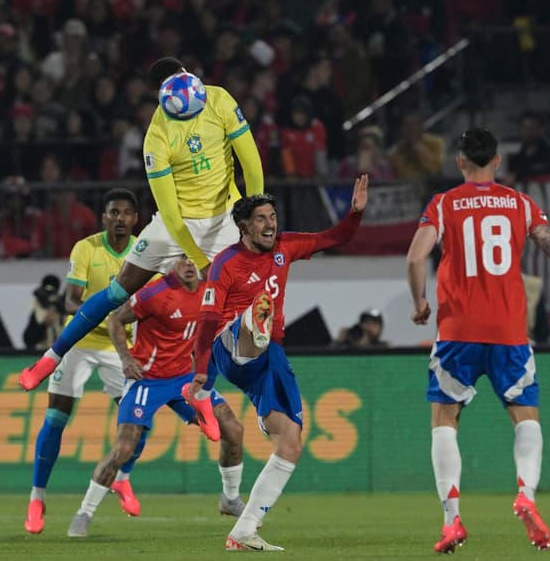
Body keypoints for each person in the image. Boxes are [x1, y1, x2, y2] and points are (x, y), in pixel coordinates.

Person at [19, 56, 265, 390]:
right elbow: (172, 212)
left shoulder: (218, 98)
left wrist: (255, 212)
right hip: (177, 223)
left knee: (227, 311)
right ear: (160, 95)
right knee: (119, 289)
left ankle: (204, 393)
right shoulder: (156, 137)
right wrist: (199, 259)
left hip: (225, 220)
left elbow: (250, 163)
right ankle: (51, 356)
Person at [405, 128, 550, 553]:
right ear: (497, 161)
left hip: (457, 332)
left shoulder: (445, 204)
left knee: (444, 422)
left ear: (460, 161)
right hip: (509, 333)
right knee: (527, 418)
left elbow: (415, 256)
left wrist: (420, 303)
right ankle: (526, 495)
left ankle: (452, 522)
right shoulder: (520, 204)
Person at [185, 178, 368, 551]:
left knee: (291, 440)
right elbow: (206, 319)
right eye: (261, 219)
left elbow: (336, 238)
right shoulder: (226, 264)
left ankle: (245, 530)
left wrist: (355, 213)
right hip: (228, 344)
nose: (270, 224)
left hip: (268, 356)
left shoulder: (285, 247)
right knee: (257, 315)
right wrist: (201, 370)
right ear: (244, 227)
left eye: (273, 217)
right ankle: (254, 325)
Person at [67, 255, 246, 537]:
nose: (188, 264)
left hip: (185, 379)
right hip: (146, 381)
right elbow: (116, 320)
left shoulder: (208, 292)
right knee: (124, 448)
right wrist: (125, 358)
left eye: (193, 259)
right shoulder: (155, 293)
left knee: (233, 429)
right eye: (181, 258)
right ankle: (84, 513)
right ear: (171, 263)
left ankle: (230, 498)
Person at [24, 188, 144, 535]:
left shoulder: (144, 252)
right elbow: (70, 301)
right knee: (56, 419)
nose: (120, 218)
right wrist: (106, 315)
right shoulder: (86, 248)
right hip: (79, 342)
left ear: (135, 219)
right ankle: (37, 498)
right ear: (104, 217)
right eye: (113, 212)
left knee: (139, 421)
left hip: (120, 349)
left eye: (126, 213)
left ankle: (122, 478)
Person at [23, 274, 66, 351]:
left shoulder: (63, 309)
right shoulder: (38, 311)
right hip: (44, 353)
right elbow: (28, 340)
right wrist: (43, 325)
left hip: (62, 352)